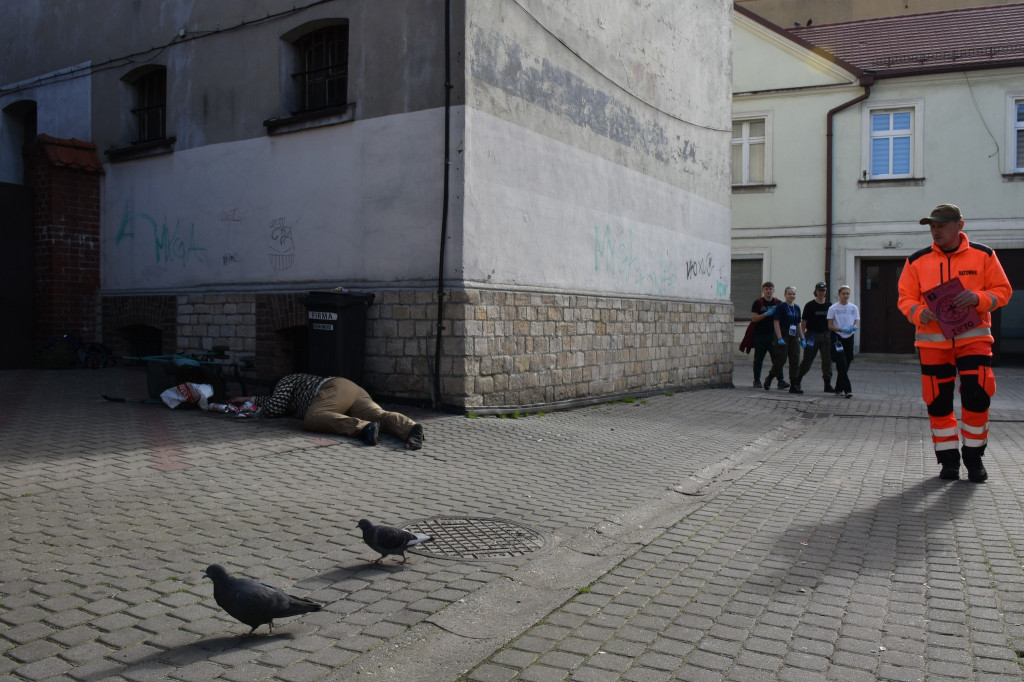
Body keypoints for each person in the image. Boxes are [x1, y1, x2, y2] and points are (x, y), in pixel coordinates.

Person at [897, 203, 1012, 482]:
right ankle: (948, 461)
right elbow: (905, 298)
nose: (935, 230)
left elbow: (1003, 291)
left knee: (977, 397)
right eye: (931, 226)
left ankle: (974, 459)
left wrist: (978, 298)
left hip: (974, 341)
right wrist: (917, 311)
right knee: (938, 403)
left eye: (940, 225)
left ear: (959, 226)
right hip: (933, 344)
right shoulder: (916, 260)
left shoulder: (984, 255)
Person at [229, 374, 425, 450]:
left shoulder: (285, 380)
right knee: (378, 413)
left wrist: (258, 412)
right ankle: (410, 429)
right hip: (353, 389)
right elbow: (278, 402)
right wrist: (250, 399)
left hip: (333, 390)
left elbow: (276, 406)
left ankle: (364, 428)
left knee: (313, 419)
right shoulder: (293, 387)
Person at [765, 286, 805, 393]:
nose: (791, 296)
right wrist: (779, 338)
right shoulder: (781, 306)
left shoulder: (796, 307)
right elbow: (776, 322)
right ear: (785, 295)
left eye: (793, 294)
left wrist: (802, 338)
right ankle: (770, 377)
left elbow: (797, 324)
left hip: (793, 335)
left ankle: (794, 385)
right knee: (781, 359)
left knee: (795, 359)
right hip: (783, 334)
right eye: (789, 294)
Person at [797, 281, 834, 393]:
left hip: (826, 336)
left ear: (826, 292)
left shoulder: (829, 305)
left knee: (827, 361)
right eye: (819, 290)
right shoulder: (809, 305)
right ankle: (797, 381)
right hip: (812, 336)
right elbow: (804, 322)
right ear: (816, 291)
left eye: (823, 290)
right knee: (807, 360)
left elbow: (833, 321)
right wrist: (802, 336)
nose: (821, 292)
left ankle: (827, 384)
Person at [749, 282, 784, 389]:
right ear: (763, 290)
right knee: (758, 359)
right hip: (760, 335)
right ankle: (756, 381)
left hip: (773, 335)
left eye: (770, 289)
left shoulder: (778, 303)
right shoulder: (758, 303)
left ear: (774, 290)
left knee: (777, 359)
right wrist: (766, 314)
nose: (768, 291)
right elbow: (754, 318)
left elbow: (783, 318)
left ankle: (780, 381)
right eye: (766, 289)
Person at [827, 285, 859, 399]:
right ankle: (848, 390)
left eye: (847, 294)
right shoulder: (833, 308)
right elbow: (830, 325)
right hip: (838, 337)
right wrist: (840, 329)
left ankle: (838, 387)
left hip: (849, 337)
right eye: (843, 293)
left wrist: (854, 327)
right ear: (839, 294)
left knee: (848, 360)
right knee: (841, 362)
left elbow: (855, 321)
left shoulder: (853, 308)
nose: (846, 296)